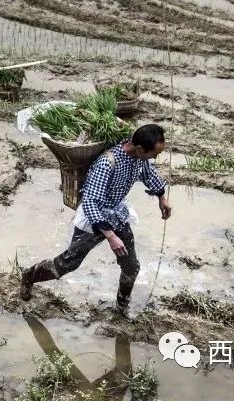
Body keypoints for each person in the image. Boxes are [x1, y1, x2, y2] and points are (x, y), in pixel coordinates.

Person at [18, 124, 172, 316]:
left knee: (131, 267)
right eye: (154, 154)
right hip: (94, 219)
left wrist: (162, 198)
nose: (155, 158)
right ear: (140, 149)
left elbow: (149, 174)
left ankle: (122, 307)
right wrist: (110, 236)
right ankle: (30, 275)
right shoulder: (107, 163)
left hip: (117, 214)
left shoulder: (139, 159)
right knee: (68, 264)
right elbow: (90, 202)